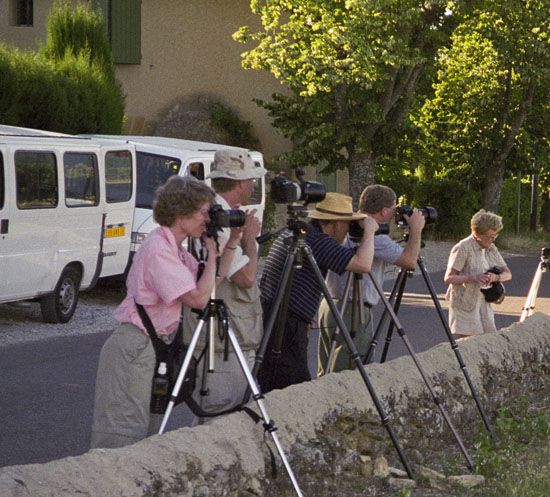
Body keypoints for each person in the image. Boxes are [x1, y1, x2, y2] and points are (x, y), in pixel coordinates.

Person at [91, 176, 229, 449]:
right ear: (182, 211)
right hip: (136, 346)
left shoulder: (175, 250)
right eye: (204, 211)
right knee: (123, 434)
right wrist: (213, 255)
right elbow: (199, 300)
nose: (207, 219)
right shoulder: (158, 248)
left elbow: (209, 285)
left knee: (146, 433)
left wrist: (230, 244)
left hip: (153, 347)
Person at [257, 192, 377, 392]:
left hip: (274, 314)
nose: (347, 232)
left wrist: (302, 311)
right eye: (347, 225)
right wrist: (370, 232)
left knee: (274, 379)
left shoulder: (297, 234)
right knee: (293, 386)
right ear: (337, 224)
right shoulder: (317, 240)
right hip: (285, 322)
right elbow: (362, 265)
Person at [183, 149, 266, 422]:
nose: (254, 186)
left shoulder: (221, 214)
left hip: (226, 337)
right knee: (220, 418)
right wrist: (250, 240)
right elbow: (246, 278)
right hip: (222, 341)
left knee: (217, 418)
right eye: (252, 180)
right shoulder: (218, 220)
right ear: (241, 183)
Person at [316, 184, 425, 373]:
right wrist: (416, 229)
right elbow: (409, 261)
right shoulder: (373, 235)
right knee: (352, 371)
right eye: (393, 210)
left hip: (329, 304)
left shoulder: (347, 224)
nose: (394, 214)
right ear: (383, 211)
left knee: (326, 368)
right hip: (353, 309)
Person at [443, 209, 512, 338]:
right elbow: (449, 278)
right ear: (477, 234)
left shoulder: (491, 248)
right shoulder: (463, 248)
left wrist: (496, 277)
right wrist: (472, 277)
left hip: (484, 302)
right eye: (489, 237)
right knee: (469, 344)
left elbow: (508, 274)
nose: (492, 239)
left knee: (489, 340)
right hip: (465, 303)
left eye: (495, 236)